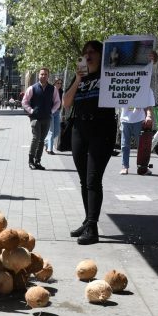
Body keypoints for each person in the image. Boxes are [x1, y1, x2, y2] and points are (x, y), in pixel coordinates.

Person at [62, 40, 117, 245]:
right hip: (79, 130)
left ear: (102, 55)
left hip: (101, 131)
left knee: (93, 179)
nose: (88, 55)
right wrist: (77, 79)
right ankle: (87, 221)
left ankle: (92, 227)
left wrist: (150, 63)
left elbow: (134, 81)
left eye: (93, 52)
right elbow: (66, 103)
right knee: (84, 180)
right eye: (85, 52)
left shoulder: (109, 75)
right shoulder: (81, 78)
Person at [21, 67, 61, 170]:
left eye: (45, 74)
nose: (43, 76)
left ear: (48, 76)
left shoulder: (53, 89)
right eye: (41, 74)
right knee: (36, 138)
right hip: (35, 118)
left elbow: (57, 102)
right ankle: (30, 160)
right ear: (39, 75)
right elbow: (24, 102)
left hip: (47, 118)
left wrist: (51, 111)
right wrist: (31, 111)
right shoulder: (32, 88)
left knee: (42, 140)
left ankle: (37, 161)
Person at [118, 84, 155, 174]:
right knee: (124, 145)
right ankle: (124, 166)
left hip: (139, 120)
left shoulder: (146, 87)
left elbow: (148, 105)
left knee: (142, 147)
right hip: (125, 120)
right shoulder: (123, 85)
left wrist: (149, 116)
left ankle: (143, 168)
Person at [45, 78, 64, 154]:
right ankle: (50, 149)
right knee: (51, 131)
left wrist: (63, 114)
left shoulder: (61, 91)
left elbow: (62, 103)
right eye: (57, 83)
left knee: (57, 131)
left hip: (57, 112)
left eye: (60, 83)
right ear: (54, 83)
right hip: (50, 112)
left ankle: (45, 142)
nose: (59, 84)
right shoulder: (50, 90)